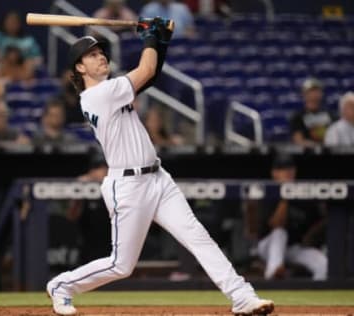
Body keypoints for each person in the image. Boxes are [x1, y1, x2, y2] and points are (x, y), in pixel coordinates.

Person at [46, 18, 273, 315]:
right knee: (121, 265)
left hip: (157, 178)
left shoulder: (111, 89)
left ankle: (242, 297)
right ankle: (62, 285)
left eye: (101, 52)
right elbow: (147, 70)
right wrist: (150, 37)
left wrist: (159, 41)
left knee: (197, 235)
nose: (101, 56)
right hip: (127, 187)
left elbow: (149, 77)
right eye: (92, 55)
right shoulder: (96, 95)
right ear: (79, 68)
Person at [245, 154, 327, 280]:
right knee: (280, 233)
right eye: (282, 169)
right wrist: (285, 197)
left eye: (290, 168)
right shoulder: (267, 192)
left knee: (322, 263)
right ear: (274, 173)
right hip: (267, 246)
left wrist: (310, 237)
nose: (288, 172)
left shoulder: (303, 194)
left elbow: (321, 221)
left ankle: (314, 297)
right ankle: (272, 276)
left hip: (294, 247)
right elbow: (276, 224)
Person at [290, 78, 333, 146]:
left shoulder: (330, 115)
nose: (314, 94)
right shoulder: (297, 117)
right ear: (304, 94)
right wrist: (317, 147)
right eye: (311, 91)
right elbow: (298, 141)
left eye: (317, 91)